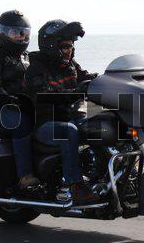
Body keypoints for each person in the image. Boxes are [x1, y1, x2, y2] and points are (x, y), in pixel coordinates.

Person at [24, 19, 98, 204]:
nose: (69, 50)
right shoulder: (36, 68)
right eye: (65, 46)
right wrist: (75, 92)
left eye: (71, 45)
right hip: (45, 123)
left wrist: (108, 80)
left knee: (102, 126)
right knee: (68, 132)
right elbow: (44, 96)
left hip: (73, 117)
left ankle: (102, 176)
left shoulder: (70, 64)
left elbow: (87, 77)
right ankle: (76, 186)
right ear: (51, 45)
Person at [0, 10, 39, 190]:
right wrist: (11, 101)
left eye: (24, 32)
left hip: (28, 105)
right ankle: (25, 175)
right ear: (2, 32)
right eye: (15, 32)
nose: (21, 36)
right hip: (4, 108)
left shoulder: (28, 57)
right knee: (22, 125)